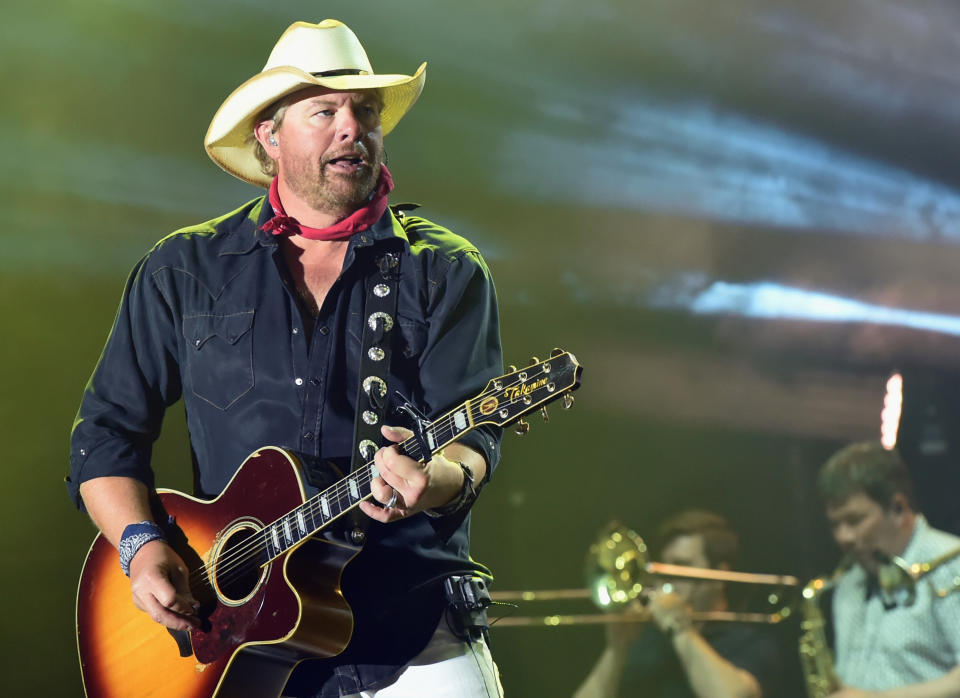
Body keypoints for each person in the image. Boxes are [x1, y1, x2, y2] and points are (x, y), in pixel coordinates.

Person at [66, 18, 504, 698]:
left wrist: (437, 476)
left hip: (409, 631)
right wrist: (140, 548)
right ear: (269, 136)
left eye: (365, 111)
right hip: (237, 644)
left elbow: (475, 439)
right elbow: (105, 435)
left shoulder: (443, 269)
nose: (351, 127)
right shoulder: (185, 268)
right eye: (324, 110)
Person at [573, 510, 781, 698]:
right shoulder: (647, 643)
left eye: (681, 565)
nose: (666, 576)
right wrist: (616, 649)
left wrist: (680, 628)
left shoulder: (749, 642)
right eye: (665, 564)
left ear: (720, 575)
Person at [817, 441, 960, 698]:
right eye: (834, 525)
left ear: (898, 508)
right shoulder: (849, 580)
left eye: (854, 520)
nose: (843, 537)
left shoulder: (951, 564)